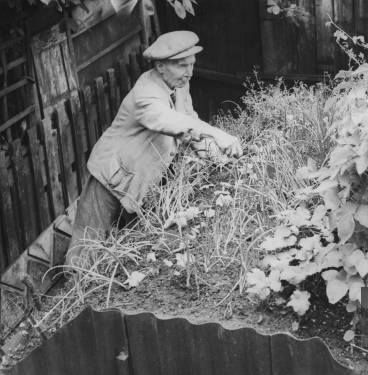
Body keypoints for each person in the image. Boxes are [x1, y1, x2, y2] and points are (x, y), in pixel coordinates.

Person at [65, 31, 241, 267]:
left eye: (191, 65)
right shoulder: (145, 93)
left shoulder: (179, 84)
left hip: (140, 178)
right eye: (182, 66)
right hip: (110, 175)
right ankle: (76, 294)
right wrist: (218, 134)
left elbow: (188, 120)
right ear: (160, 66)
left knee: (123, 243)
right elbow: (169, 121)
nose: (189, 72)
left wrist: (216, 155)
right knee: (86, 247)